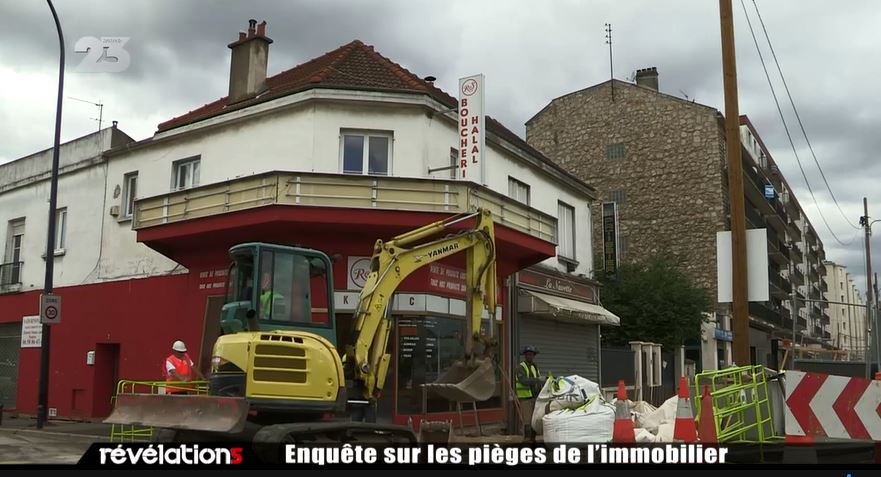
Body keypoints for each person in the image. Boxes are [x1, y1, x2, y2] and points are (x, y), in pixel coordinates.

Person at [515, 345, 543, 442]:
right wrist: (537, 379)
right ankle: (527, 441)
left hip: (535, 397)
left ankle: (533, 440)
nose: (530, 356)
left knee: (534, 421)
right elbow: (523, 381)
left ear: (534, 355)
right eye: (528, 354)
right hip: (525, 398)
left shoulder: (535, 367)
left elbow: (538, 381)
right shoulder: (521, 367)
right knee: (527, 421)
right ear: (525, 356)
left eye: (531, 354)